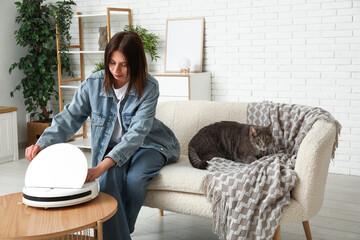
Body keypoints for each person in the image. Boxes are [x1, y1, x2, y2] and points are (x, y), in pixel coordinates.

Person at [25, 31, 180, 240]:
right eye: (112, 62)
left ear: (136, 63)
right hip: (113, 146)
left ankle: (119, 233)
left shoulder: (149, 87)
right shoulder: (94, 84)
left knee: (135, 179)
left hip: (149, 144)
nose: (116, 70)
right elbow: (69, 117)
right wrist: (42, 144)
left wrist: (100, 166)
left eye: (124, 64)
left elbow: (136, 134)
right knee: (109, 178)